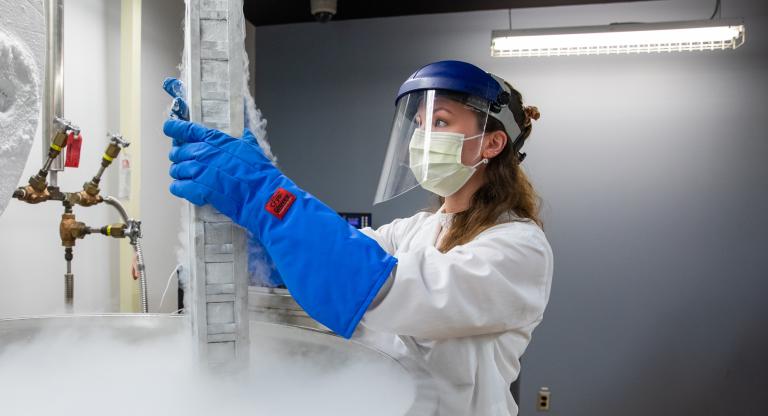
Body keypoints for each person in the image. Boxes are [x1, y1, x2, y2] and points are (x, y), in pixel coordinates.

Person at [162, 60, 553, 416]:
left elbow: (377, 285)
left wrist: (266, 196)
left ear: (492, 142)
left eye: (441, 122)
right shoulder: (417, 228)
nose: (421, 137)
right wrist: (253, 226)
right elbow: (339, 256)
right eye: (418, 124)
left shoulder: (518, 249)